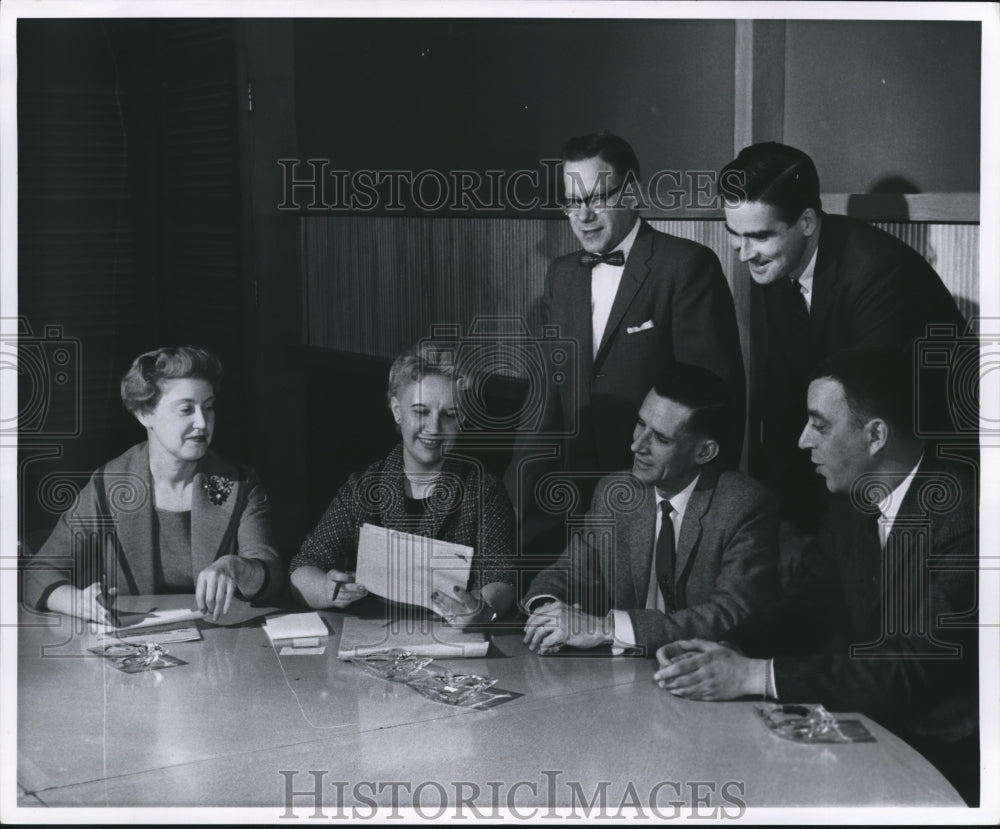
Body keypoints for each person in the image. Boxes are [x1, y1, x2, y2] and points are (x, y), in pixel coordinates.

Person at [653, 348, 978, 805]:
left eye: (820, 425)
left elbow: (910, 667)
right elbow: (802, 608)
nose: (803, 440)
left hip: (947, 759)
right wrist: (728, 648)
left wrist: (752, 675)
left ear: (876, 435)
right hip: (870, 731)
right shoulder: (850, 505)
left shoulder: (966, 512)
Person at [507, 131, 746, 567]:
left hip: (660, 498)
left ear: (632, 191)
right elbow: (545, 402)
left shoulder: (686, 267)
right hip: (575, 502)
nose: (583, 215)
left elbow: (713, 402)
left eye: (597, 197)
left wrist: (699, 516)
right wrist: (513, 504)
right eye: (570, 201)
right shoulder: (561, 276)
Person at [719, 141, 966, 534]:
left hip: (933, 478)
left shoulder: (877, 272)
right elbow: (783, 401)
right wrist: (782, 519)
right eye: (734, 233)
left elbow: (866, 420)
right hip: (856, 461)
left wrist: (814, 535)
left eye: (760, 236)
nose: (744, 253)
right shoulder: (775, 262)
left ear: (807, 223)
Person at [521, 363, 778, 657]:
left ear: (704, 452)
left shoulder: (744, 504)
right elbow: (567, 573)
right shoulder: (614, 494)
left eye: (661, 439)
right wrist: (548, 614)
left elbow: (732, 615)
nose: (636, 445)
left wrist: (605, 628)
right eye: (641, 424)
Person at [22, 346, 284, 623]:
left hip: (221, 642)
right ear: (145, 414)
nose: (202, 422)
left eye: (208, 407)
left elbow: (272, 575)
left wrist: (238, 568)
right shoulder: (108, 484)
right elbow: (38, 573)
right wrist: (78, 602)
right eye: (186, 409)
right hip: (135, 644)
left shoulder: (238, 483)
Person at [289, 342, 517, 627]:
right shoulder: (364, 487)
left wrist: (483, 610)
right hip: (374, 637)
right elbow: (302, 567)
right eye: (421, 412)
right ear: (397, 411)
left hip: (453, 641)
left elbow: (502, 579)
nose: (434, 429)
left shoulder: (484, 490)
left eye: (449, 415)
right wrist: (326, 589)